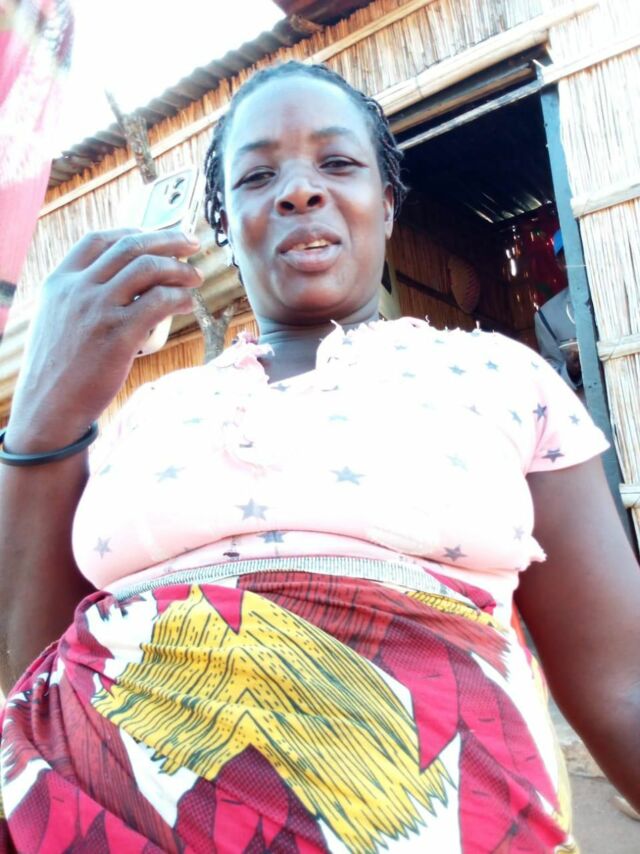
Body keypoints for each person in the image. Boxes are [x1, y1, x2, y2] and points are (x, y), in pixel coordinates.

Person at [1, 61, 639, 853]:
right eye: (257, 176)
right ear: (225, 228)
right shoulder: (149, 413)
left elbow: (624, 687)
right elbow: (35, 673)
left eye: (337, 163)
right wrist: (44, 412)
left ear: (388, 204)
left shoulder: (502, 376)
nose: (300, 191)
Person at [534, 231, 582, 394]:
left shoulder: (623, 291)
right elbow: (551, 378)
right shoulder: (547, 316)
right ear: (560, 264)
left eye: (581, 251)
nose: (578, 260)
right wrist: (571, 371)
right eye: (569, 256)